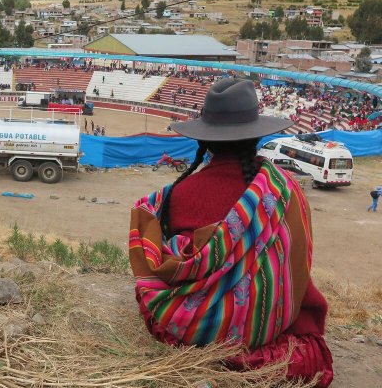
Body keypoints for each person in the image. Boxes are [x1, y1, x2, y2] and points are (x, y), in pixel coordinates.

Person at [129, 78, 333, 386]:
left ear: (205, 140)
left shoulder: (179, 195)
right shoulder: (285, 191)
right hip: (268, 328)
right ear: (256, 136)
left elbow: (162, 265)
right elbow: (296, 265)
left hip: (193, 330)